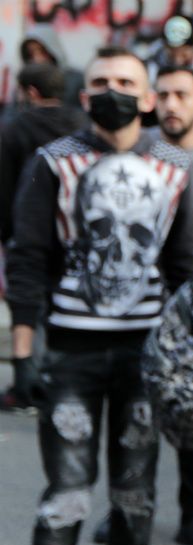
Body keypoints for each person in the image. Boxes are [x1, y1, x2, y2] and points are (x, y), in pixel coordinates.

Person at [5, 46, 193, 545]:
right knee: (65, 498)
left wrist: (188, 352)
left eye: (125, 82)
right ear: (82, 95)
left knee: (135, 498)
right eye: (100, 82)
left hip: (144, 359)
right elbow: (28, 257)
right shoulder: (52, 162)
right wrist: (25, 354)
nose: (112, 91)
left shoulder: (176, 166)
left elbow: (182, 266)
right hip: (71, 358)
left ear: (148, 97)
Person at [86, 65, 193, 545]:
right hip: (138, 310)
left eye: (184, 94)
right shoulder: (137, 152)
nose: (172, 103)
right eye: (164, 94)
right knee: (133, 420)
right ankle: (126, 509)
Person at [0, 64, 86, 414]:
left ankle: (29, 380)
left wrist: (7, 236)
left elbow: (4, 190)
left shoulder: (13, 130)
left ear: (30, 92)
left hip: (27, 231)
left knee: (28, 305)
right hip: (75, 232)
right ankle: (64, 376)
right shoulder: (82, 126)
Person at [19, 25, 84, 107]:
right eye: (31, 53)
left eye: (42, 51)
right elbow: (9, 116)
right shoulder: (26, 84)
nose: (37, 58)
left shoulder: (75, 80)